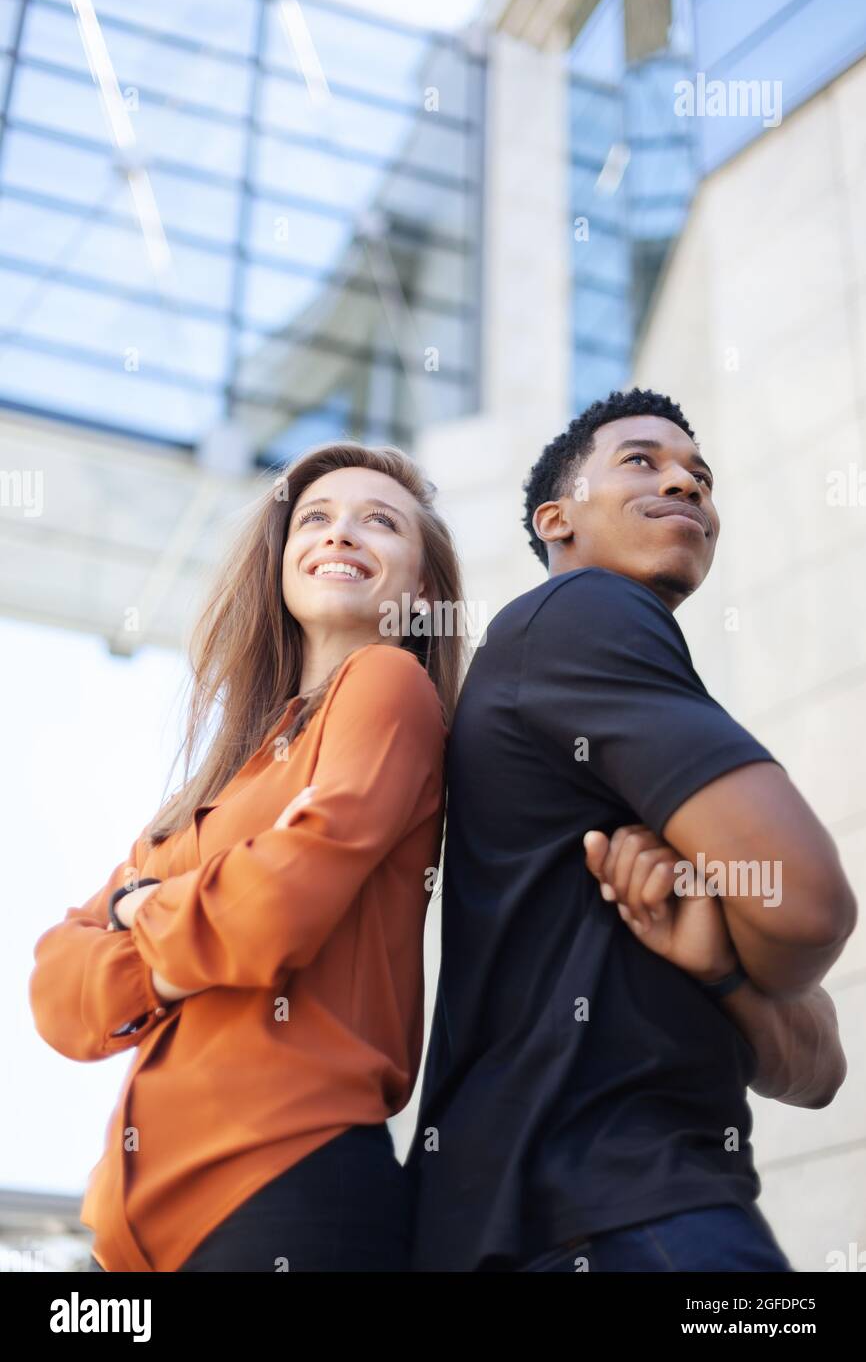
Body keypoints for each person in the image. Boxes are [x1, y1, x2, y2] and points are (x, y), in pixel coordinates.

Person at [407, 387, 856, 1273]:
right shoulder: (582, 617)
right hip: (630, 1217)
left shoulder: (609, 705)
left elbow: (822, 1070)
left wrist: (722, 966)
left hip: (542, 1224)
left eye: (700, 476)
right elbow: (808, 908)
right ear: (557, 519)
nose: (685, 486)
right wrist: (748, 920)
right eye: (642, 462)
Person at [29, 442, 468, 1272]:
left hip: (283, 1185)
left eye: (380, 523)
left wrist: (138, 911)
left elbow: (272, 914)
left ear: (421, 592)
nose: (341, 535)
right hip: (134, 1231)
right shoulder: (223, 777)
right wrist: (178, 955)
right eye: (316, 519)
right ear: (281, 562)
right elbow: (57, 990)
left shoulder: (387, 684)